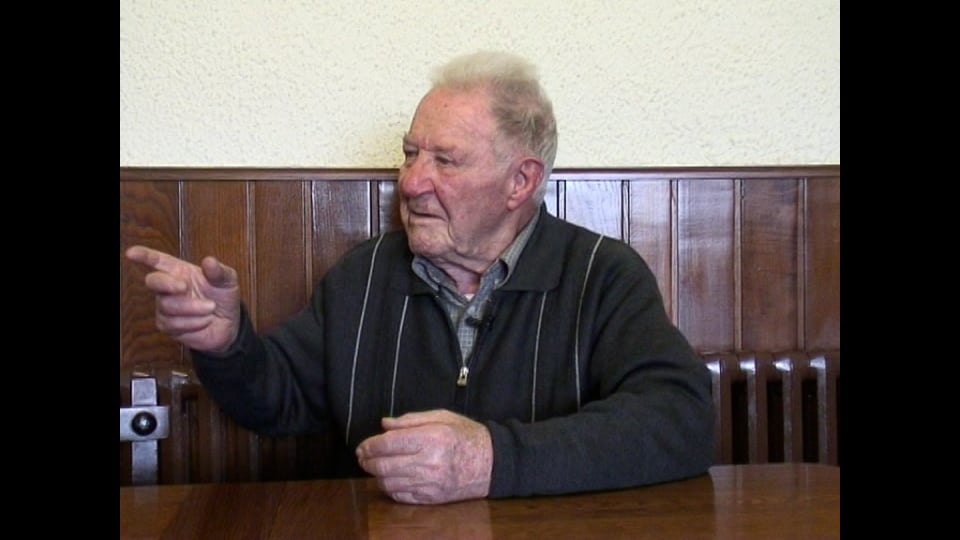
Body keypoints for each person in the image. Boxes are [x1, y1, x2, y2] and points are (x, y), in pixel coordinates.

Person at [125, 50, 714, 505]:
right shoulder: (364, 277)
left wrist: (490, 460)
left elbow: (681, 420)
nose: (410, 182)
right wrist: (227, 344)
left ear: (521, 182)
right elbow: (276, 400)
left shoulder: (602, 276)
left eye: (445, 160)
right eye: (411, 154)